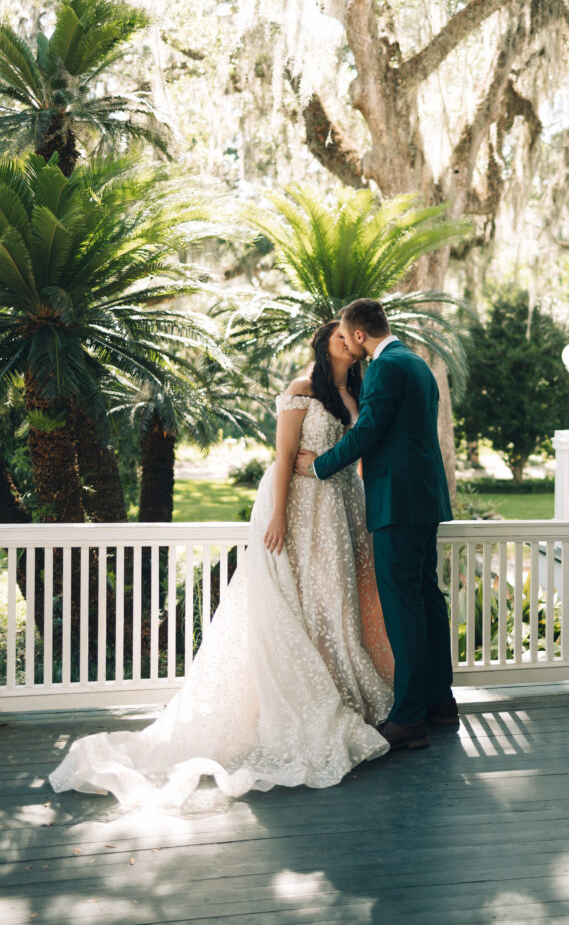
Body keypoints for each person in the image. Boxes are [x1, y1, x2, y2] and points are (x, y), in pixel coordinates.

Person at [49, 321, 393, 808]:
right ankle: (313, 703)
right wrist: (276, 519)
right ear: (326, 343)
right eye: (339, 335)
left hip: (342, 511)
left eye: (350, 336)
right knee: (308, 601)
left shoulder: (355, 390)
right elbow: (284, 457)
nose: (348, 340)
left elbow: (360, 448)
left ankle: (347, 693)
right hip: (301, 511)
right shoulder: (300, 390)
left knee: (337, 601)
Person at [295, 298, 457, 751]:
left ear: (360, 336)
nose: (345, 344)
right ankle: (439, 702)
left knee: (404, 608)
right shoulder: (417, 363)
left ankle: (408, 718)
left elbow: (369, 432)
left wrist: (320, 466)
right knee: (427, 600)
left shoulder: (385, 368)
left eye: (346, 337)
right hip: (424, 501)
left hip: (397, 504)